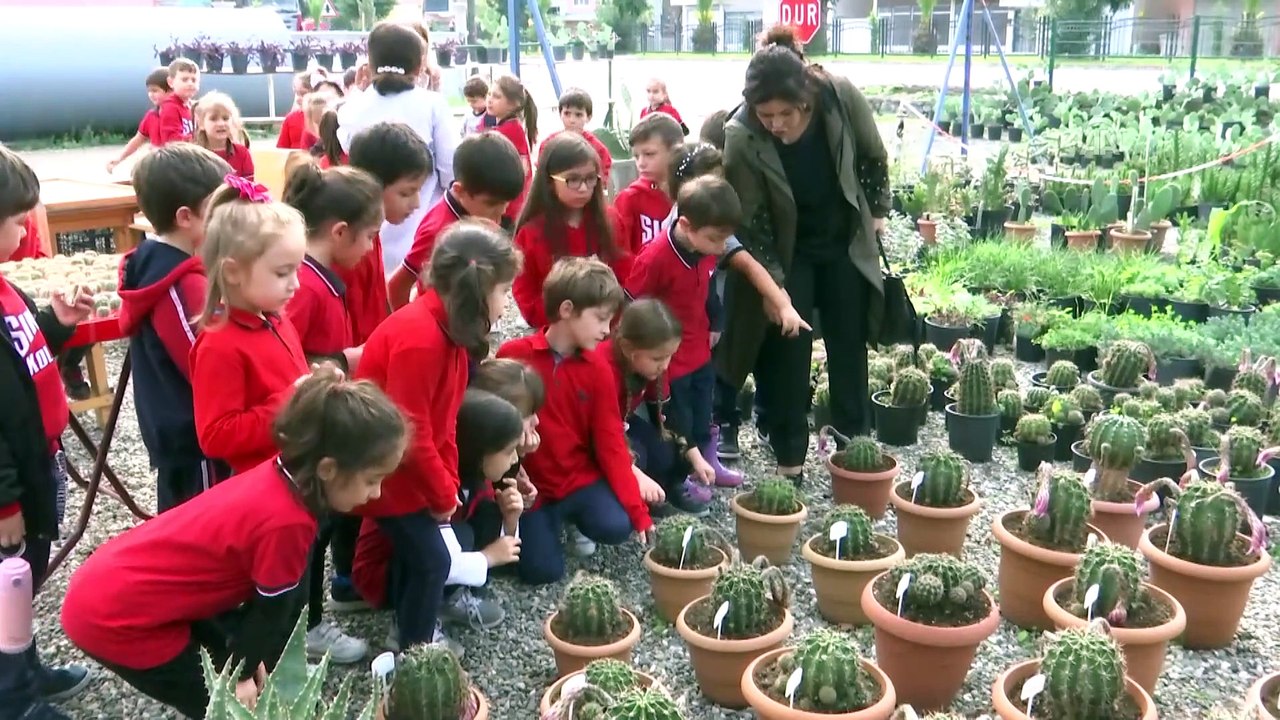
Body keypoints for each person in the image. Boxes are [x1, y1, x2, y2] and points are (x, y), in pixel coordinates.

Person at [60, 369, 408, 718]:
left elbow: (282, 599)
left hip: (119, 585)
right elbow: (271, 611)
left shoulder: (280, 477)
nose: (375, 493)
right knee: (220, 706)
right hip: (115, 617)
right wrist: (240, 675)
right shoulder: (287, 523)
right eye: (371, 480)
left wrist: (247, 660)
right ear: (328, 469)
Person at [719, 25, 890, 483]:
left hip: (842, 242)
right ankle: (790, 456)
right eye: (765, 114)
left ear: (805, 102)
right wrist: (775, 290)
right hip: (785, 251)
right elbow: (749, 222)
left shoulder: (838, 96)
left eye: (784, 114)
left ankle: (854, 447)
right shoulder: (742, 134)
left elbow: (874, 156)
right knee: (788, 352)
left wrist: (877, 214)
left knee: (848, 343)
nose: (775, 124)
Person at [354, 220, 519, 652]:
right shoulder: (420, 338)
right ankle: (415, 645)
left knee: (427, 557)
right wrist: (441, 490)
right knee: (432, 559)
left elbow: (441, 421)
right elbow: (412, 430)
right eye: (503, 292)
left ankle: (415, 627)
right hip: (386, 475)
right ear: (476, 290)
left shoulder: (445, 330)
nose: (506, 304)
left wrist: (446, 482)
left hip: (409, 473)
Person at [0, 146, 94, 720]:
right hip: (8, 488)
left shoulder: (6, 289)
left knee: (24, 575)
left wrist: (56, 325)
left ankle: (25, 669)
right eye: (15, 221)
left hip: (36, 463)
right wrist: (5, 498)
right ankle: (13, 699)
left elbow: (22, 357)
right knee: (6, 586)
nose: (23, 232)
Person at [497, 258, 662, 585]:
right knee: (542, 572)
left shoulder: (598, 369)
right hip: (532, 488)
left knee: (617, 525)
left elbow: (611, 442)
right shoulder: (514, 355)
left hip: (576, 479)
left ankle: (570, 523)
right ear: (567, 309)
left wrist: (639, 513)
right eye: (601, 318)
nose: (607, 329)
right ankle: (538, 529)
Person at [281, 161, 385, 649]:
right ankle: (307, 625)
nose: (370, 249)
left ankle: (327, 600)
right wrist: (343, 358)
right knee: (309, 534)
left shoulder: (318, 277)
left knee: (325, 526)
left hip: (324, 422)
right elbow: (287, 356)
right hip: (309, 431)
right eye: (369, 237)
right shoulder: (304, 286)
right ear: (340, 232)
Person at [661, 143, 807, 463]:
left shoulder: (710, 228)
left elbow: (746, 261)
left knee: (708, 389)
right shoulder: (677, 238)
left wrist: (781, 302)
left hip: (705, 324)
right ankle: (682, 468)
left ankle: (708, 455)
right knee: (679, 401)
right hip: (674, 335)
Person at [350, 388, 529, 641]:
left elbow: (498, 544)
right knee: (462, 533)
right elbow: (435, 557)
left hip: (434, 559)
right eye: (508, 451)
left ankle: (446, 599)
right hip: (384, 574)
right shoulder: (432, 487)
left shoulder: (478, 480)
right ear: (478, 451)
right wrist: (488, 557)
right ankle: (408, 623)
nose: (513, 461)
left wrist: (510, 519)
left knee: (487, 515)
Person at [118, 144, 232, 512]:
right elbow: (204, 362)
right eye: (219, 209)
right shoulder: (182, 283)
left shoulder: (153, 264)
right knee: (203, 520)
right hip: (193, 435)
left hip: (176, 427)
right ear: (186, 217)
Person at [626, 176, 747, 494]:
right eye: (716, 239)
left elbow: (708, 291)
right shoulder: (655, 259)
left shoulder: (705, 251)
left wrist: (716, 322)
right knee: (675, 420)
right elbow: (632, 306)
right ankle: (677, 481)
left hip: (700, 352)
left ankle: (707, 464)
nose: (723, 248)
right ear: (686, 224)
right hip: (669, 362)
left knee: (703, 410)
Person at [190, 177, 311, 476]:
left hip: (299, 472)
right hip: (265, 485)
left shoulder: (275, 317)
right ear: (233, 271)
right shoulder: (220, 345)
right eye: (283, 273)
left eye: (297, 269)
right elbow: (216, 436)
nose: (296, 284)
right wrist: (291, 404)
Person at [337, 22, 458, 276]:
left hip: (364, 235)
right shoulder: (432, 105)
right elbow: (450, 170)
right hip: (422, 233)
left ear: (369, 63)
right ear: (419, 65)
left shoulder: (352, 108)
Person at [600, 299, 712, 516]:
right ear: (627, 347)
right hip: (599, 428)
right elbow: (601, 432)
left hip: (623, 420)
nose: (665, 365)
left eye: (670, 356)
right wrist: (632, 469)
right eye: (658, 358)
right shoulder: (603, 367)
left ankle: (665, 490)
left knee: (667, 447)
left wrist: (695, 457)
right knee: (638, 455)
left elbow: (666, 412)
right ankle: (631, 501)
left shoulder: (653, 366)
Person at [389, 131, 525, 309]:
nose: (499, 218)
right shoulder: (439, 231)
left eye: (506, 205)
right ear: (460, 191)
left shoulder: (475, 210)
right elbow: (397, 286)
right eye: (492, 204)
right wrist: (411, 326)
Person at [512, 133, 628, 329]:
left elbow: (625, 274)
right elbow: (526, 294)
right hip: (556, 333)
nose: (583, 188)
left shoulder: (611, 221)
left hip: (604, 331)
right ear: (549, 181)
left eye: (590, 179)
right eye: (572, 180)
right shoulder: (532, 233)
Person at [341, 122, 433, 349]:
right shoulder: (349, 249)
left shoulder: (370, 235)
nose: (416, 203)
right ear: (370, 185)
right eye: (406, 192)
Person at [611, 113, 683, 254]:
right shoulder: (629, 198)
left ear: (676, 151)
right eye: (636, 156)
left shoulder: (691, 193)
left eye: (649, 154)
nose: (641, 163)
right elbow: (621, 253)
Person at [486, 74, 538, 222]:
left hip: (507, 208)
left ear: (514, 104)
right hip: (513, 205)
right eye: (489, 94)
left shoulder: (507, 132)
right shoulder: (512, 127)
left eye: (496, 96)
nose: (489, 99)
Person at [538, 87, 612, 183]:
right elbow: (541, 176)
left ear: (588, 117)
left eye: (578, 115)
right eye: (567, 113)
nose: (572, 120)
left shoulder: (597, 148)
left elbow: (603, 176)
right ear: (560, 114)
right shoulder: (548, 144)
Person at [105, 67, 171, 174]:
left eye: (155, 90)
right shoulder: (151, 116)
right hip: (157, 164)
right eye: (149, 91)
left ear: (170, 90)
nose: (150, 95)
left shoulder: (185, 113)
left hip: (176, 164)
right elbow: (138, 139)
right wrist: (119, 158)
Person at [194, 91, 255, 180]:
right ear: (201, 123)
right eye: (213, 119)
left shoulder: (242, 154)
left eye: (225, 118)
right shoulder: (194, 155)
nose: (221, 123)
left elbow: (249, 187)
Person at [157, 58, 200, 145]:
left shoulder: (195, 106)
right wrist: (201, 139)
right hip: (177, 156)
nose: (190, 83)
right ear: (171, 82)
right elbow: (171, 139)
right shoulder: (170, 107)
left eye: (194, 80)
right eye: (184, 79)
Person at [278, 71, 319, 150]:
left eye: (303, 93)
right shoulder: (290, 119)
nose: (297, 99)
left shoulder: (324, 118)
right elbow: (281, 150)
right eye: (296, 93)